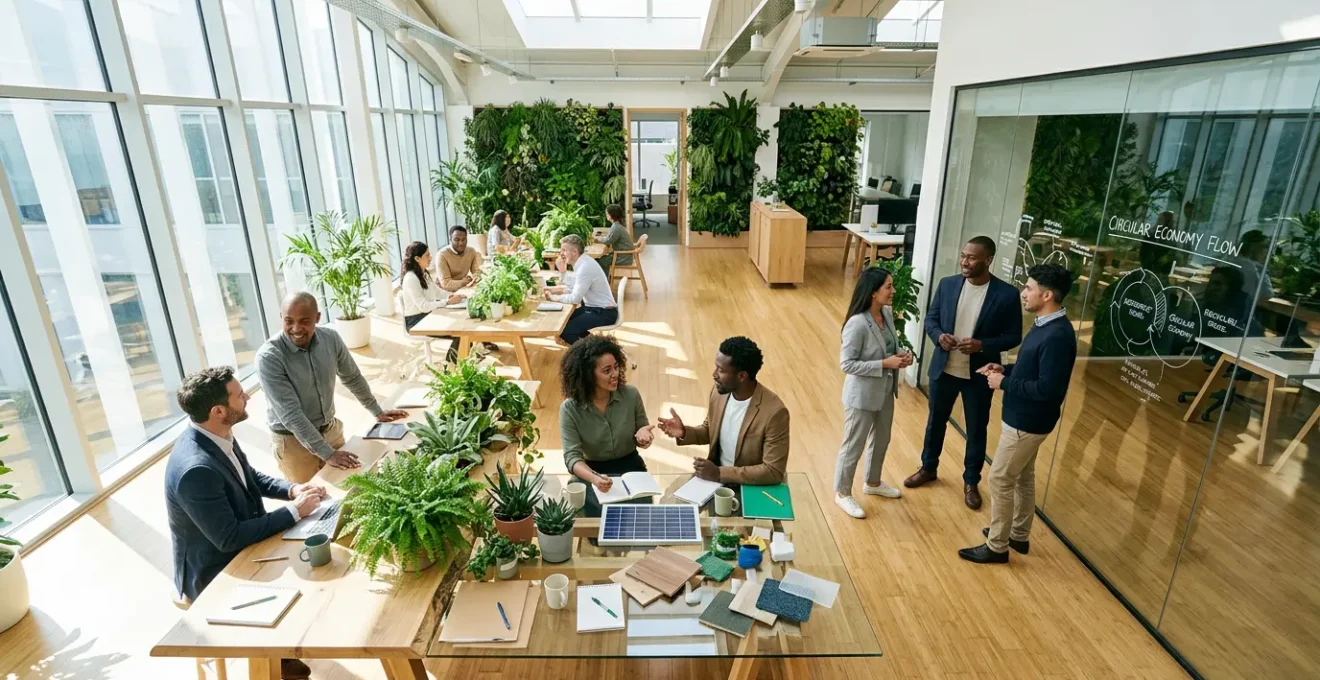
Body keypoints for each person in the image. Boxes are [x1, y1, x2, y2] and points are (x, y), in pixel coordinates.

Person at [165, 366, 325, 679]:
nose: (247, 397)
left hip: (242, 546)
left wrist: (292, 489)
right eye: (240, 396)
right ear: (218, 410)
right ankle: (273, 662)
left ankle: (283, 654)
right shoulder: (195, 469)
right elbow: (229, 538)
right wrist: (295, 511)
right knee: (301, 581)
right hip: (215, 571)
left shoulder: (217, 434)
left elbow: (248, 477)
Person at [959, 263, 1077, 564]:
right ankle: (1018, 535)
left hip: (1027, 422)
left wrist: (1004, 383)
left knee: (999, 479)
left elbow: (1048, 390)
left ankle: (997, 546)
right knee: (1023, 476)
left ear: (1047, 295)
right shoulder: (1043, 325)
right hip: (1025, 419)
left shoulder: (1057, 336)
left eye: (1029, 288)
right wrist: (1005, 369)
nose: (1023, 293)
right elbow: (1033, 372)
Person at [904, 236, 1022, 510]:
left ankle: (971, 482)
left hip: (979, 374)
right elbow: (931, 319)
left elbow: (1014, 335)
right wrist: (938, 336)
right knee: (936, 422)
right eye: (963, 255)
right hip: (944, 368)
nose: (964, 261)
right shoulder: (947, 285)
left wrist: (984, 345)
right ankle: (928, 468)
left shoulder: (1006, 294)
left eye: (972, 257)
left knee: (976, 430)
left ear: (988, 260)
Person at [256, 292, 409, 483]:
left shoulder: (331, 339)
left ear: (317, 318)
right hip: (293, 443)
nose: (296, 328)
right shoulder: (269, 357)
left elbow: (352, 377)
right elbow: (291, 415)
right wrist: (328, 454)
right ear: (281, 317)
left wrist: (376, 411)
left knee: (353, 485)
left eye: (304, 321)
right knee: (315, 504)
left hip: (330, 430)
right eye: (289, 321)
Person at [832, 268, 912, 519]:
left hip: (886, 391)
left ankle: (873, 482)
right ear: (873, 291)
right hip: (862, 397)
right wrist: (884, 364)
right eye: (888, 287)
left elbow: (889, 347)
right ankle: (842, 493)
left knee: (882, 439)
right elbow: (847, 364)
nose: (893, 291)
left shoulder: (886, 314)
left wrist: (902, 356)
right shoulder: (856, 324)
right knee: (853, 445)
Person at [655, 336, 790, 485]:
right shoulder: (719, 393)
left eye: (721, 370)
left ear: (742, 376)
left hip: (750, 486)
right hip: (715, 480)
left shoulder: (774, 413)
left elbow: (773, 471)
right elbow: (710, 430)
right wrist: (684, 432)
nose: (714, 375)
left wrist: (719, 473)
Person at [559, 335, 654, 516]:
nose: (615, 374)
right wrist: (594, 478)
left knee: (640, 524)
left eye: (616, 367)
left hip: (631, 467)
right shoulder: (569, 409)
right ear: (588, 375)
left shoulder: (631, 395)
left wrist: (644, 436)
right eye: (607, 370)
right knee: (597, 529)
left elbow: (643, 431)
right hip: (591, 471)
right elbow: (572, 458)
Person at [543, 234, 618, 344]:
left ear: (574, 251)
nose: (561, 254)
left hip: (603, 313)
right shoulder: (583, 263)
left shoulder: (585, 267)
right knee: (562, 323)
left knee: (565, 330)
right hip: (594, 308)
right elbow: (574, 287)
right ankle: (599, 347)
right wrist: (553, 289)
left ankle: (595, 353)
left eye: (564, 250)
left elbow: (575, 299)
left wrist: (553, 298)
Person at [400, 241, 465, 361]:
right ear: (417, 258)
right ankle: (451, 367)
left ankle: (460, 362)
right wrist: (447, 302)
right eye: (427, 255)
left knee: (463, 326)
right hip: (416, 321)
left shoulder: (423, 273)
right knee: (460, 334)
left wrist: (457, 296)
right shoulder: (411, 278)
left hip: (428, 315)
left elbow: (439, 292)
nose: (430, 258)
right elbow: (423, 306)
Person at [437, 225, 482, 292]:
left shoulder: (471, 251)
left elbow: (476, 272)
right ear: (450, 240)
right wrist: (465, 281)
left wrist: (475, 278)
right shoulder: (442, 255)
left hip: (461, 288)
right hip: (444, 292)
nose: (461, 243)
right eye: (456, 240)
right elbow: (446, 284)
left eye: (463, 239)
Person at [597, 203, 637, 272]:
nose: (606, 215)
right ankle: (606, 280)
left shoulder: (616, 228)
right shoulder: (617, 225)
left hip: (622, 258)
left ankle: (605, 281)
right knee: (601, 260)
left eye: (607, 213)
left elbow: (608, 241)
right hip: (624, 256)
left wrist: (596, 240)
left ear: (611, 215)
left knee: (599, 262)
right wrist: (601, 239)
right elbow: (609, 239)